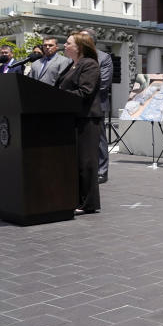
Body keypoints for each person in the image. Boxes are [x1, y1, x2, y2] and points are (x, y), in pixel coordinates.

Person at [56, 31, 102, 214]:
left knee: (86, 162)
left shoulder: (89, 65)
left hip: (87, 119)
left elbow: (85, 92)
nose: (64, 46)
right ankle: (75, 198)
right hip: (72, 118)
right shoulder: (71, 65)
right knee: (75, 161)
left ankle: (88, 203)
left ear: (80, 47)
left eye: (68, 43)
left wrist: (57, 97)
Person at [81, 29, 113, 184]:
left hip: (97, 104)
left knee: (99, 140)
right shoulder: (77, 58)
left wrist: (82, 90)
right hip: (80, 104)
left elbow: (104, 84)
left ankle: (102, 171)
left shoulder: (104, 58)